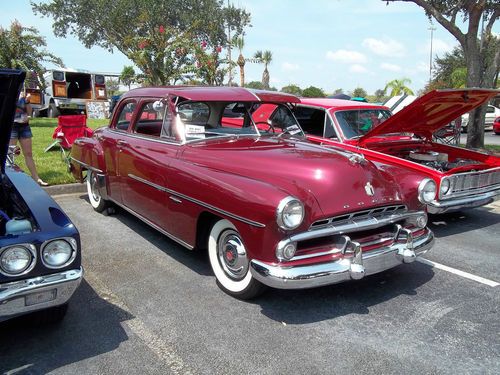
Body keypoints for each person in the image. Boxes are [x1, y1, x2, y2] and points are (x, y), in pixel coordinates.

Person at [10, 92, 48, 186]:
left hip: (24, 126)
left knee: (28, 153)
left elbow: (29, 112)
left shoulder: (23, 94)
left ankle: (36, 178)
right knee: (11, 154)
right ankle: (10, 179)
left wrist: (27, 101)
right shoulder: (9, 92)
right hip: (12, 126)